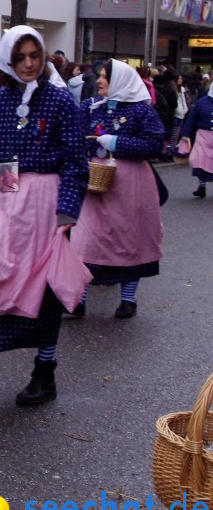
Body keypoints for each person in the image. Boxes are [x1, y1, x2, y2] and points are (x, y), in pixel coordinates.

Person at [0, 26, 90, 412]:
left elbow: (76, 164)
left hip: (46, 206)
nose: (29, 64)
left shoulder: (61, 103)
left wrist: (67, 210)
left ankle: (44, 373)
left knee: (43, 289)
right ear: (9, 61)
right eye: (21, 57)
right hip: (5, 203)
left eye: (35, 56)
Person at [70, 60, 163, 320]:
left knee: (129, 240)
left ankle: (128, 298)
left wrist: (117, 142)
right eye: (99, 76)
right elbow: (74, 138)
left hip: (130, 185)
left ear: (120, 81)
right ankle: (79, 299)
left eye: (104, 77)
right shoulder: (89, 107)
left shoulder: (142, 112)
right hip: (94, 182)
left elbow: (155, 144)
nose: (98, 81)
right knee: (84, 240)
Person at [178, 78, 213, 198]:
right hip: (203, 136)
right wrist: (186, 134)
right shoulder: (202, 102)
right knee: (199, 160)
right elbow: (192, 118)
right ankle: (201, 186)